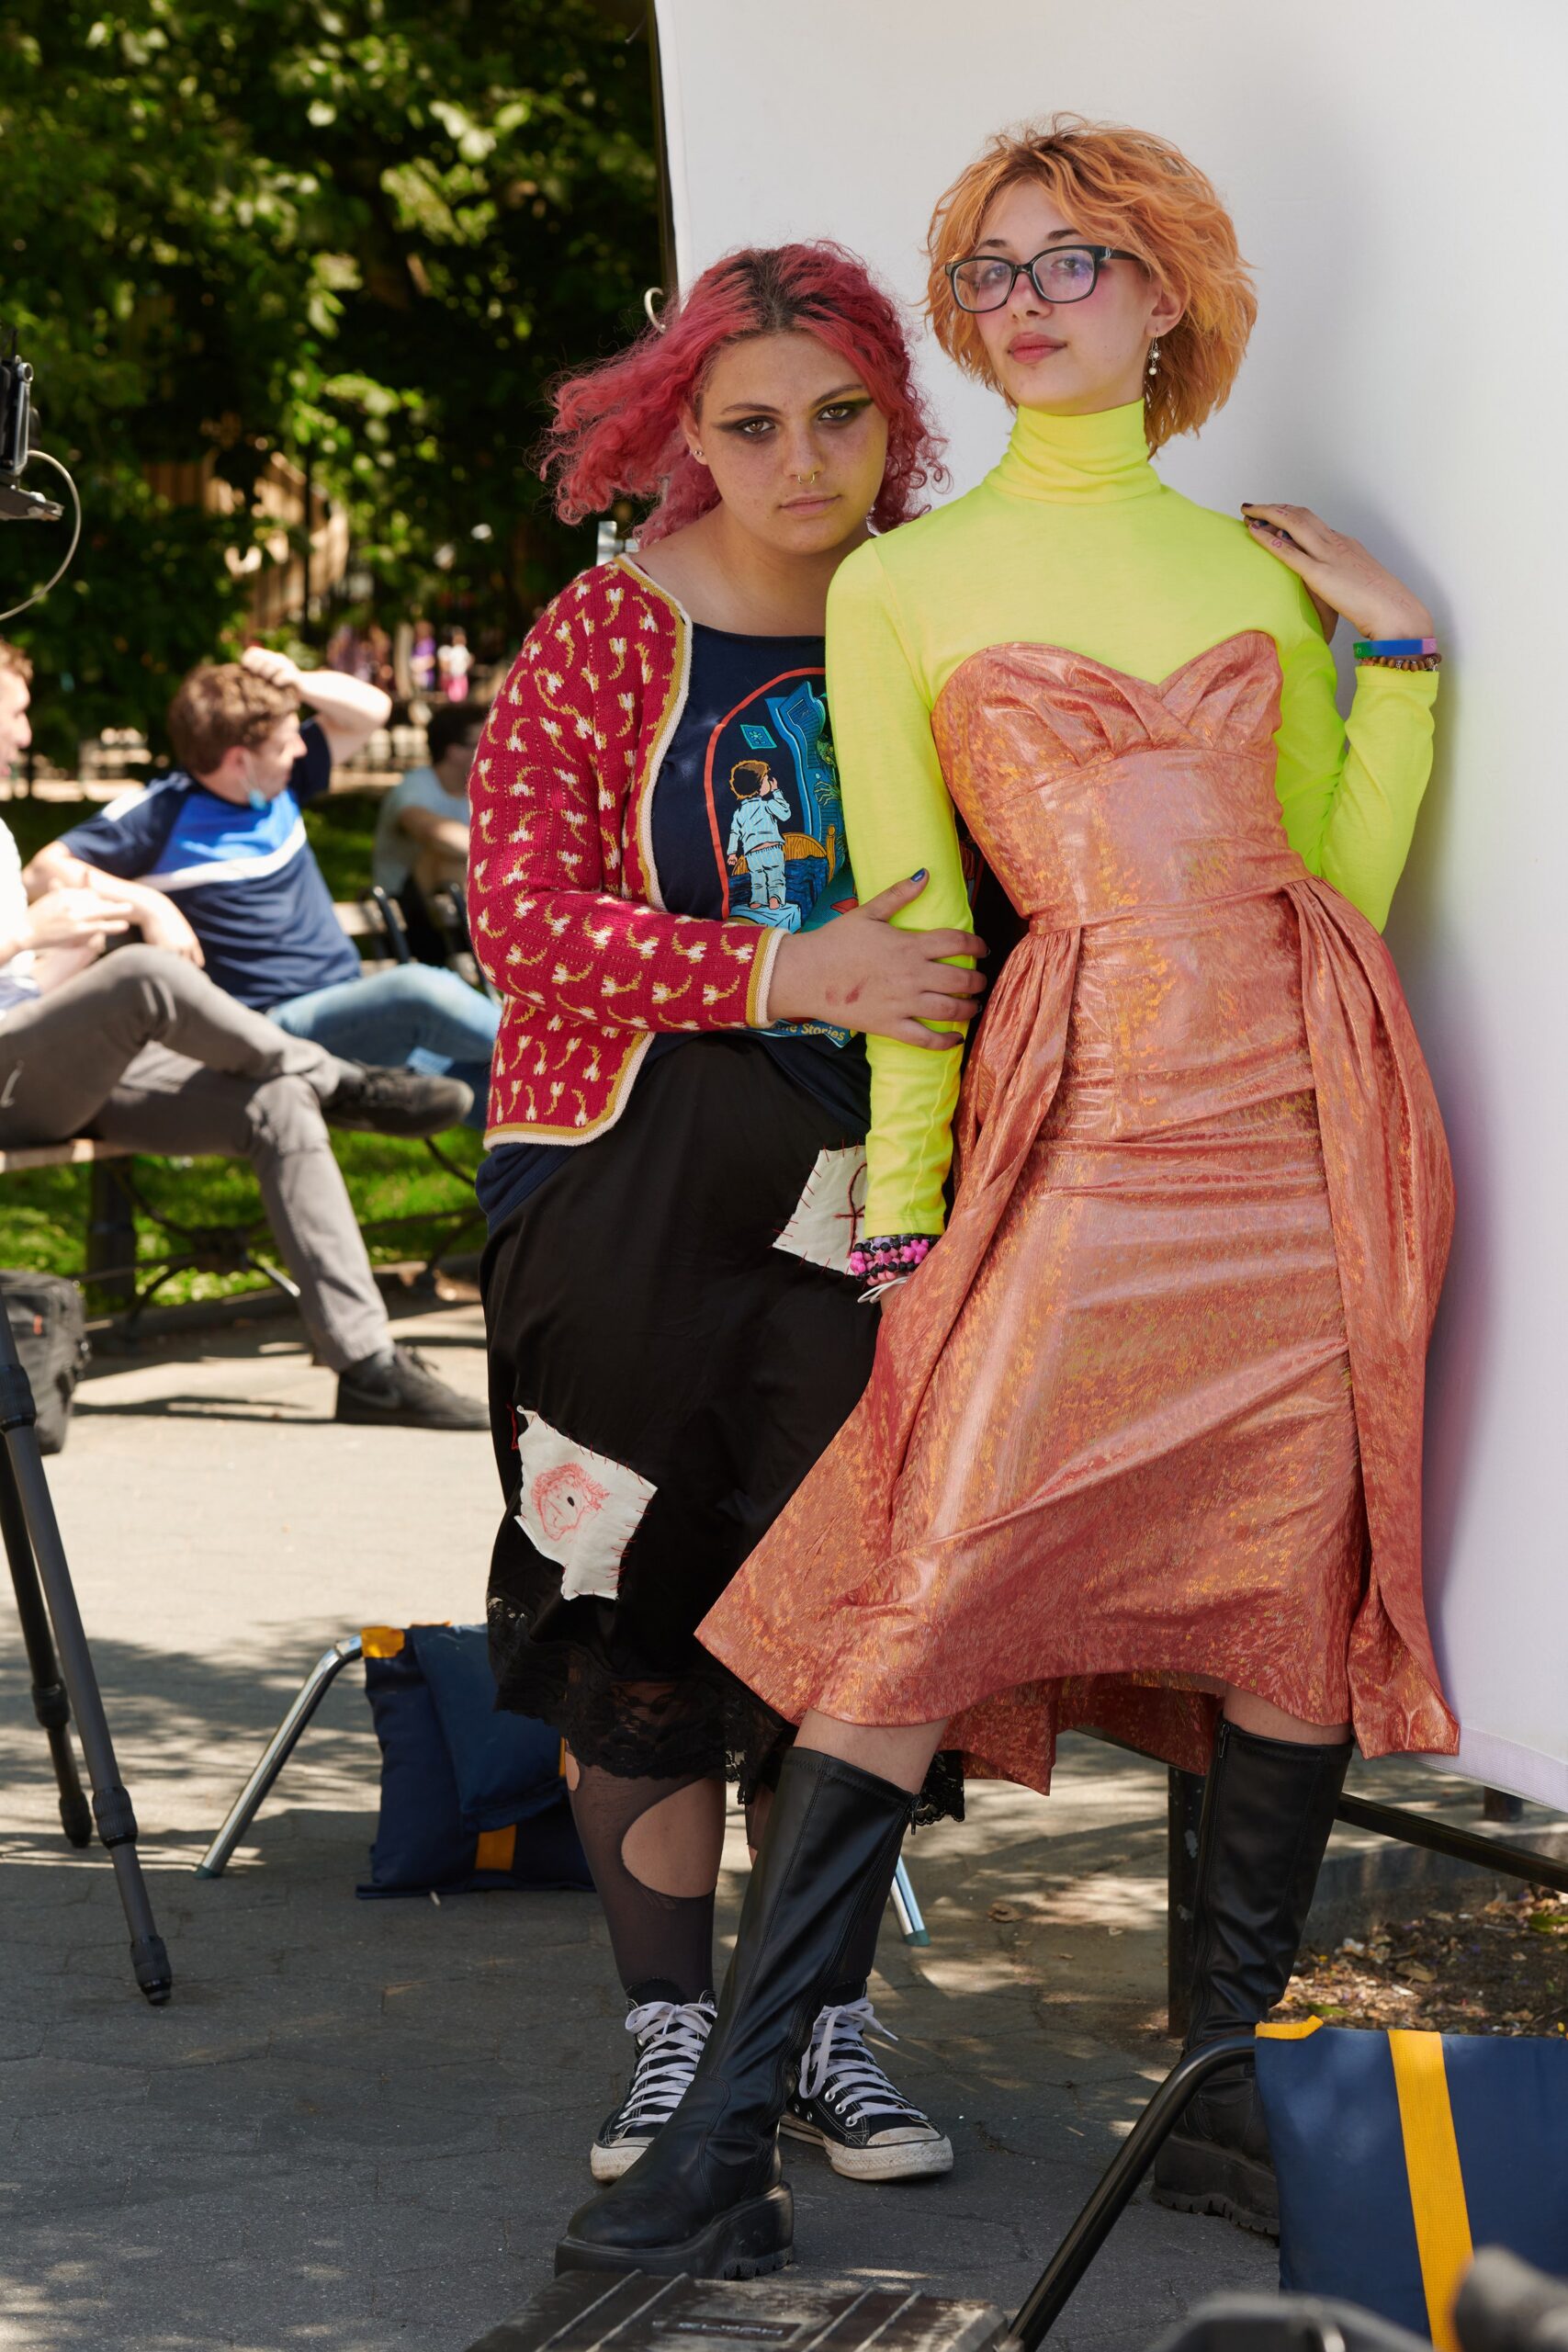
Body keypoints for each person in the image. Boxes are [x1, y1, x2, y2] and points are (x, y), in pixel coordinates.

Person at [558, 118, 1457, 2280]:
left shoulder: (1248, 564)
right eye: (988, 269)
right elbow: (907, 921)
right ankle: (726, 2143)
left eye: (1071, 261)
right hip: (1082, 1127)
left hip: (1302, 1115)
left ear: (1164, 296)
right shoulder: (900, 580)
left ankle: (1225, 2092)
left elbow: (1324, 879)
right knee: (910, 1591)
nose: (1021, 296)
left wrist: (1396, 665)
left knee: (1281, 1597)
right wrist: (901, 1198)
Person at [469, 244, 988, 2194]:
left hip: (886, 1189)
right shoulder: (607, 630)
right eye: (753, 421)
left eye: (841, 413)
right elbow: (516, 919)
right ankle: (676, 2036)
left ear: (893, 419)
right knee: (636, 1600)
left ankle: (819, 2024)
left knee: (858, 1611)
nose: (802, 457)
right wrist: (794, 970)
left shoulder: (935, 611)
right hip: (620, 1187)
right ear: (682, 431)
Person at [0, 639, 486, 1430]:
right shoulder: (159, 811)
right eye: (16, 714)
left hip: (58, 1066)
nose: (27, 736)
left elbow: (25, 981)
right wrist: (36, 934)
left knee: (281, 1102)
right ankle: (344, 1080)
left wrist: (63, 952)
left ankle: (368, 1367)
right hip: (13, 1082)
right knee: (145, 978)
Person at [26, 650, 499, 1129]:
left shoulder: (281, 785)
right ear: (240, 760)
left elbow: (371, 711)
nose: (299, 750)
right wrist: (150, 903)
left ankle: (543, 1184)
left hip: (353, 1015)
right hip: (269, 1030)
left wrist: (296, 679)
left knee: (510, 1102)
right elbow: (42, 872)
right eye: (286, 742)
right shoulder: (161, 814)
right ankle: (567, 1049)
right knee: (419, 990)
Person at [371, 699, 483, 962]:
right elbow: (431, 831)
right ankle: (489, 945)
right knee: (442, 855)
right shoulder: (416, 787)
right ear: (455, 751)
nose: (496, 748)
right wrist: (502, 857)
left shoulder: (483, 790)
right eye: (485, 741)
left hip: (448, 909)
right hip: (405, 913)